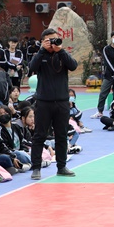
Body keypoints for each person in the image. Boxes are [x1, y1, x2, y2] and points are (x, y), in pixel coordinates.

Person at [28, 28, 78, 180]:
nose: (52, 43)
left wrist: (60, 51)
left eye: (55, 39)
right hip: (44, 102)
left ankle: (61, 167)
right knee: (39, 135)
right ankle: (36, 168)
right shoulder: (40, 55)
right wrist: (42, 50)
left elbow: (73, 65)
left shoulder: (62, 54)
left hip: (62, 102)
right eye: (49, 40)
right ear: (43, 41)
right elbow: (32, 68)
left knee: (62, 135)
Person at [94, 31, 114, 118]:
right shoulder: (106, 49)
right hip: (108, 76)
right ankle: (100, 111)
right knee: (103, 93)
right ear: (111, 38)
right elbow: (107, 61)